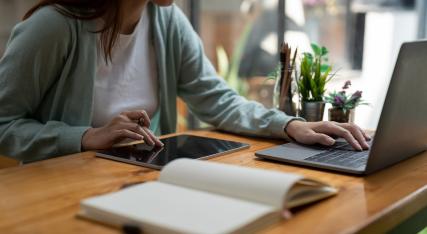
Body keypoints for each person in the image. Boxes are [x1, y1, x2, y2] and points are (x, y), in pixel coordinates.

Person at [0, 0, 371, 164]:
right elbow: (4, 124)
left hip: (139, 185)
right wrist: (83, 137)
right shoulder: (52, 27)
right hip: (59, 194)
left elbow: (218, 99)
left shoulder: (167, 22)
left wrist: (290, 125)